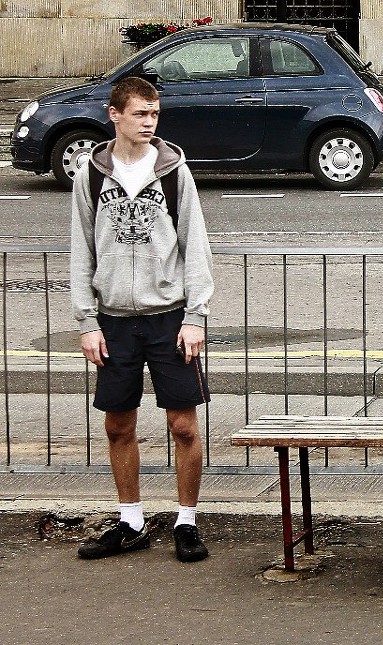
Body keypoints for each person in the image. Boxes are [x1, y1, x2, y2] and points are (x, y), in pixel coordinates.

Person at [70, 76, 214, 562]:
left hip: (170, 317)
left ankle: (187, 521)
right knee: (117, 425)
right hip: (113, 319)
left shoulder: (174, 170)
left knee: (183, 425)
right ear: (115, 115)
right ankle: (130, 521)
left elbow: (196, 244)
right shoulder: (90, 173)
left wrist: (195, 315)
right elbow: (81, 250)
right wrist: (87, 321)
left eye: (155, 114)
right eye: (141, 114)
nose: (150, 123)